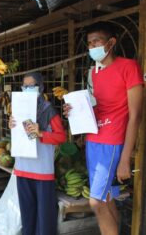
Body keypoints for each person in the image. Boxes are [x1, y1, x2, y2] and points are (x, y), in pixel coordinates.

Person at [64, 21, 143, 235]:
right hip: (93, 140)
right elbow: (97, 109)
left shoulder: (129, 67)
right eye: (89, 43)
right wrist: (74, 111)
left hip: (112, 141)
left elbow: (135, 116)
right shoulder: (95, 73)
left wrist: (125, 159)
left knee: (95, 202)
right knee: (106, 197)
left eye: (96, 41)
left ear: (111, 42)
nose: (92, 47)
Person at [9, 72, 66, 235]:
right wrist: (11, 124)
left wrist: (41, 133)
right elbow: (19, 134)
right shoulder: (18, 108)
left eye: (31, 86)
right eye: (24, 86)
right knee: (27, 216)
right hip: (22, 168)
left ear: (40, 88)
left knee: (44, 218)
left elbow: (61, 137)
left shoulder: (49, 111)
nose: (27, 89)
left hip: (42, 172)